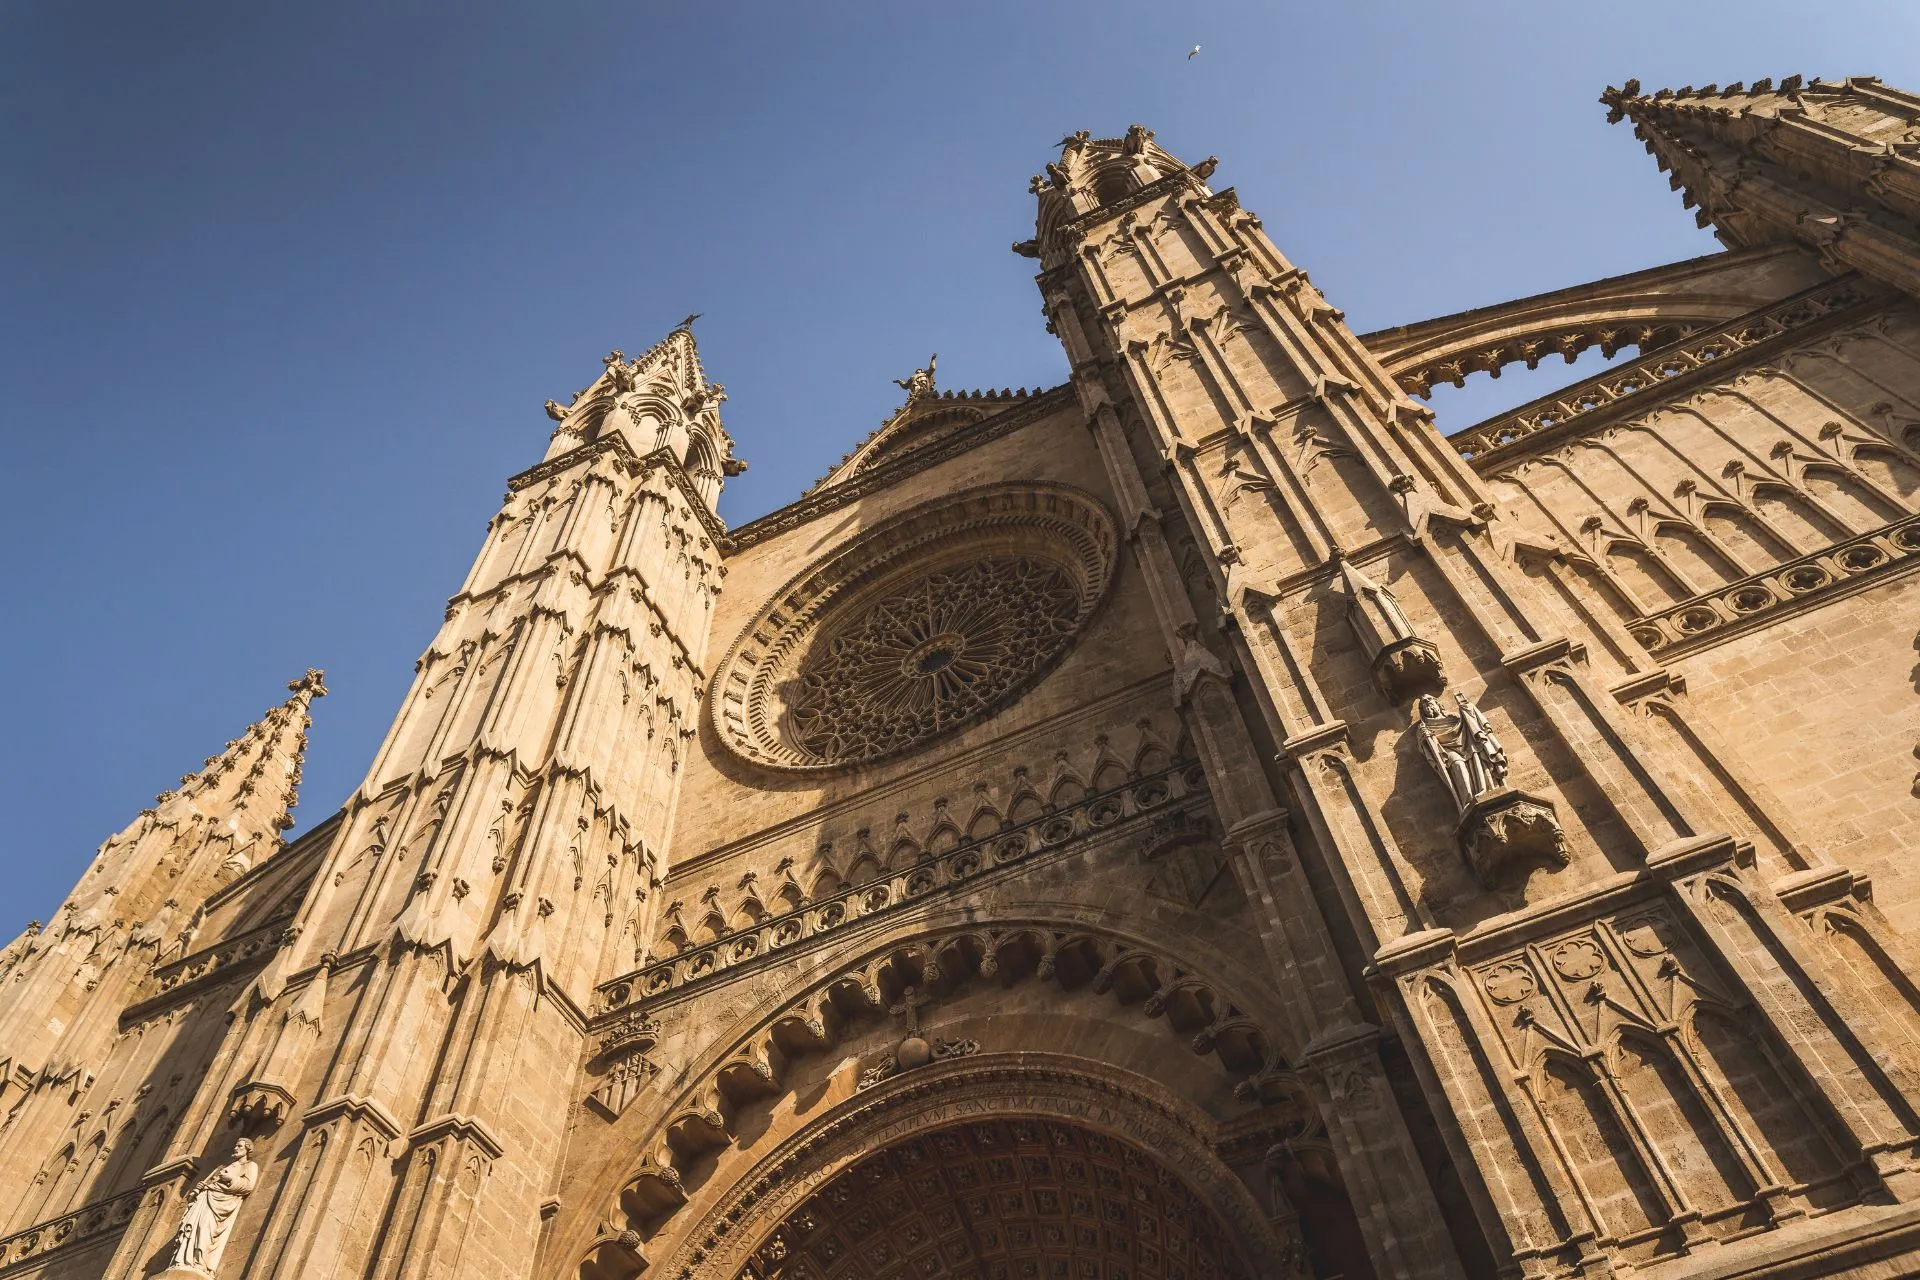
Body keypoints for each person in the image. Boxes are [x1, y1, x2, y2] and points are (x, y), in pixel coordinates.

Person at [170, 1138, 259, 1276]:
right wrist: (199, 1189)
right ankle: (183, 1259)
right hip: (205, 1199)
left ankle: (199, 1263)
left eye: (240, 1146)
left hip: (220, 1204)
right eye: (235, 1145)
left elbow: (248, 1186)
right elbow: (210, 1182)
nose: (236, 1148)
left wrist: (231, 1179)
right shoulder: (221, 1168)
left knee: (205, 1228)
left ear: (248, 1150)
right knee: (193, 1227)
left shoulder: (250, 1166)